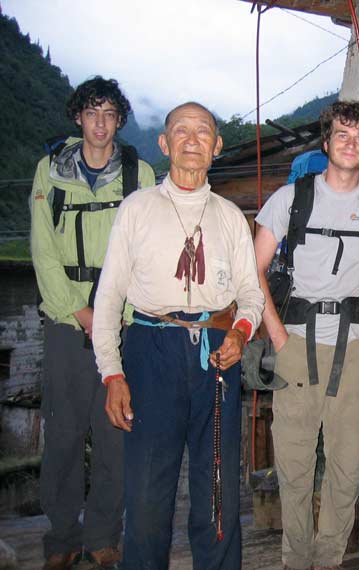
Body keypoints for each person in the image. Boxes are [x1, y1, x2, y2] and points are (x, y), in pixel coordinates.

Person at [91, 102, 265, 569]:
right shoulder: (138, 209)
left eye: (203, 131)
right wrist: (112, 373)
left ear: (217, 146)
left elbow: (251, 293)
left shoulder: (230, 216)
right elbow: (108, 298)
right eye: (181, 131)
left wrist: (241, 333)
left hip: (217, 353)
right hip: (153, 349)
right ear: (165, 144)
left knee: (219, 488)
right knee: (147, 489)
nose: (192, 139)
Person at [253, 100, 359, 570]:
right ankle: (295, 560)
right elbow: (252, 268)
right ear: (327, 143)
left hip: (357, 347)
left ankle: (329, 559)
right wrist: (278, 336)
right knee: (295, 466)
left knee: (346, 465)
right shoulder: (292, 197)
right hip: (297, 343)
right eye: (342, 134)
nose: (350, 143)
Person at [30, 76, 155, 570]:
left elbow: (147, 251)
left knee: (114, 433)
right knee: (61, 434)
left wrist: (115, 316)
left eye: (109, 114)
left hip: (122, 323)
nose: (100, 123)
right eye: (91, 112)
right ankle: (61, 538)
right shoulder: (49, 172)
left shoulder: (139, 173)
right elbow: (42, 251)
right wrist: (79, 312)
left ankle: (103, 534)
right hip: (66, 321)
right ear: (78, 118)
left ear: (120, 120)